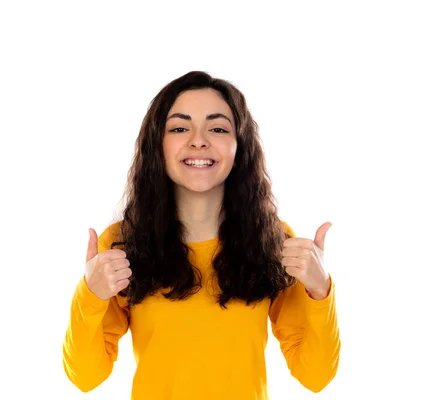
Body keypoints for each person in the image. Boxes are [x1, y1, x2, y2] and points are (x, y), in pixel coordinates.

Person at [62, 71, 340, 399]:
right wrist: (90, 294)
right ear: (158, 145)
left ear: (240, 146)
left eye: (218, 128)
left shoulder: (276, 241)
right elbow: (85, 376)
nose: (198, 140)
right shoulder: (123, 243)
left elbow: (315, 375)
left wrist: (320, 290)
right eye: (180, 128)